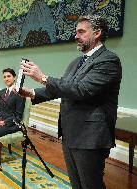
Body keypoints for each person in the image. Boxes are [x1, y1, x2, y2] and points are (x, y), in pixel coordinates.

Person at [18, 15, 122, 189]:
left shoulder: (109, 60)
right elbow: (63, 87)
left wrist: (42, 77)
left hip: (90, 137)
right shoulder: (77, 62)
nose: (76, 35)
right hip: (70, 134)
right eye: (76, 31)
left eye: (81, 31)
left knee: (91, 185)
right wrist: (31, 93)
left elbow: (81, 89)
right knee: (76, 184)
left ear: (97, 33)